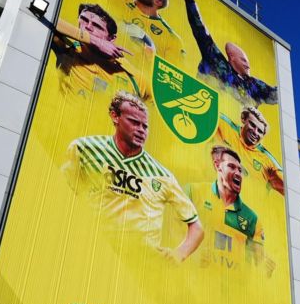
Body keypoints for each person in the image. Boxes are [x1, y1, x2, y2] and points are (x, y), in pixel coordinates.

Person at [63, 91, 203, 262]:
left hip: (139, 265)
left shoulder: (163, 175)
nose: (141, 130)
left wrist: (179, 254)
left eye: (145, 126)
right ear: (115, 117)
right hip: (88, 252)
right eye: (134, 122)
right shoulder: (84, 149)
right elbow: (61, 197)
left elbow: (197, 227)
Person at [175, 0, 278, 106]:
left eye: (247, 61)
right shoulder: (216, 62)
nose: (247, 65)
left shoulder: (253, 84)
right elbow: (199, 29)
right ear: (232, 58)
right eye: (243, 60)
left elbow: (276, 95)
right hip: (199, 110)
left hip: (240, 120)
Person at [187, 146, 274, 276]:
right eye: (231, 167)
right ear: (218, 166)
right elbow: (172, 232)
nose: (238, 173)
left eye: (240, 170)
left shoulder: (252, 219)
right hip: (195, 279)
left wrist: (266, 268)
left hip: (235, 285)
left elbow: (259, 263)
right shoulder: (193, 192)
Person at [51, 3, 142, 97]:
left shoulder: (131, 73)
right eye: (84, 19)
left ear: (111, 38)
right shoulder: (70, 47)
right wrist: (96, 41)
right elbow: (49, 18)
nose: (88, 27)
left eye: (97, 26)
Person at [214, 106, 284, 195]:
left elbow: (286, 187)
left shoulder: (267, 161)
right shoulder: (224, 125)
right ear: (243, 119)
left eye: (260, 131)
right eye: (252, 125)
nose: (255, 132)